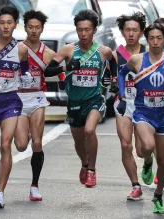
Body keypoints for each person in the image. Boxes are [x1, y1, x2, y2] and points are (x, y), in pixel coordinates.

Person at [44, 10, 117, 189]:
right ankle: (84, 163)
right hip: (74, 102)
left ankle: (92, 170)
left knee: (89, 131)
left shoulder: (103, 51)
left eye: (87, 30)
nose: (83, 34)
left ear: (94, 30)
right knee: (78, 139)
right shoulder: (69, 49)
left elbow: (113, 61)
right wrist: (65, 67)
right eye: (80, 30)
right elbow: (48, 71)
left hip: (94, 100)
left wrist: (113, 80)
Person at [120, 22, 164, 214]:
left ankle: (158, 195)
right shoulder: (136, 59)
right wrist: (123, 96)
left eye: (159, 38)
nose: (155, 42)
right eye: (152, 38)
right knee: (147, 147)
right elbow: (122, 74)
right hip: (143, 111)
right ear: (146, 40)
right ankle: (147, 162)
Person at [0, 5, 29, 208]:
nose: (5, 26)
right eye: (2, 22)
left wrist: (26, 77)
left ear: (15, 25)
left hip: (11, 100)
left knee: (6, 145)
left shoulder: (21, 49)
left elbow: (26, 69)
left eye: (9, 22)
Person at [15, 9, 55, 202]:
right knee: (22, 145)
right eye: (30, 27)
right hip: (19, 99)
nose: (33, 31)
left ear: (42, 29)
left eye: (37, 27)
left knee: (37, 143)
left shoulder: (47, 53)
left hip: (37, 98)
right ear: (25, 28)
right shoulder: (16, 49)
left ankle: (34, 186)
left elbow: (60, 70)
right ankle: (26, 131)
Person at [112, 12, 147, 201]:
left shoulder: (148, 54)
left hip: (144, 105)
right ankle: (135, 185)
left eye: (135, 30)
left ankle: (149, 160)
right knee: (126, 145)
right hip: (124, 103)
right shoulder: (116, 54)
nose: (131, 34)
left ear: (141, 32)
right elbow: (109, 76)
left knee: (142, 150)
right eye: (127, 30)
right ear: (122, 32)